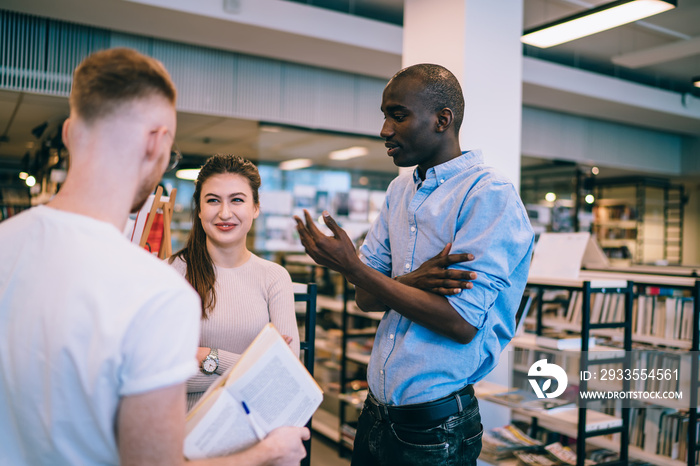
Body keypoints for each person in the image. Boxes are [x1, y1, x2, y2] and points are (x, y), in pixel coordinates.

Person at [0, 47, 308, 466]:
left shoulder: (6, 243)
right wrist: (269, 452)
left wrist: (209, 359)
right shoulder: (156, 290)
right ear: (158, 143)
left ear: (70, 133)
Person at [295, 63, 534, 466]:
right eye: (385, 116)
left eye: (398, 115)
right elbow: (366, 299)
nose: (385, 130)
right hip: (376, 416)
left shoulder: (488, 194)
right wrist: (415, 279)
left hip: (435, 428)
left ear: (443, 120)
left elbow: (460, 324)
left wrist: (355, 267)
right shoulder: (400, 189)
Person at [168, 154, 300, 410]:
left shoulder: (274, 277)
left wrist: (209, 357)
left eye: (237, 200)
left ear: (255, 207)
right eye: (213, 201)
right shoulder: (170, 273)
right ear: (199, 209)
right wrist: (256, 365)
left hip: (254, 428)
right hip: (182, 431)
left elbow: (287, 375)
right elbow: (161, 377)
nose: (225, 213)